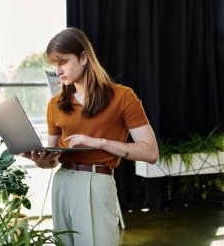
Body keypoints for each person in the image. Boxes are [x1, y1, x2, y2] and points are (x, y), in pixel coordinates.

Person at [20, 27, 159, 246]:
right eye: (54, 65)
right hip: (62, 182)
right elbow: (53, 158)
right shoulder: (54, 104)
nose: (57, 71)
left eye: (62, 62)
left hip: (96, 181)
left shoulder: (123, 97)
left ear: (83, 57)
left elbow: (150, 152)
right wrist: (42, 160)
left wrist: (99, 143)